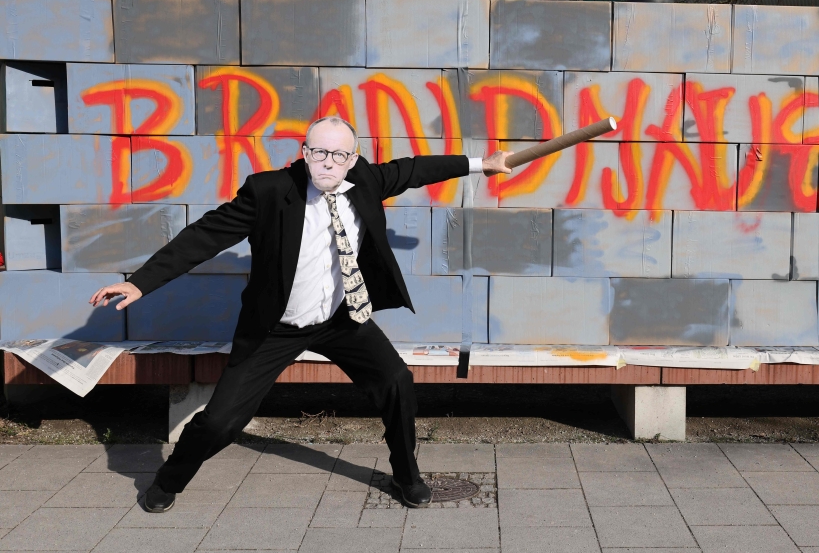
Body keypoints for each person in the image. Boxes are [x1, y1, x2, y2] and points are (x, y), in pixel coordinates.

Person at [89, 116, 511, 513]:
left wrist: (482, 164)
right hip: (277, 328)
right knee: (220, 422)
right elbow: (204, 235)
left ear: (355, 157)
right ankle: (167, 482)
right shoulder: (269, 191)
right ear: (305, 151)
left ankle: (406, 475)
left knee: (396, 382)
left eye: (340, 155)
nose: (329, 163)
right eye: (320, 152)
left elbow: (415, 169)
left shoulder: (366, 180)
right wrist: (139, 282)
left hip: (341, 319)